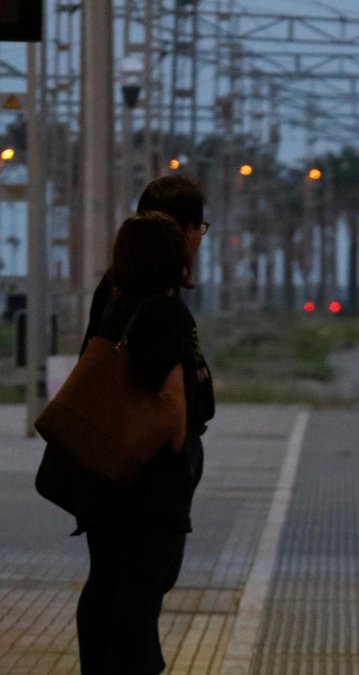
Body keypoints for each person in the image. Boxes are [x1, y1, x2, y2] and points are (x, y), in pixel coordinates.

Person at [74, 176, 214, 674]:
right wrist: (179, 454)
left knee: (109, 582)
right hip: (147, 474)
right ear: (179, 234)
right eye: (198, 226)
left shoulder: (113, 292)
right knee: (138, 592)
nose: (199, 237)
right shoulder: (162, 309)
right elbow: (174, 416)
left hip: (107, 465)